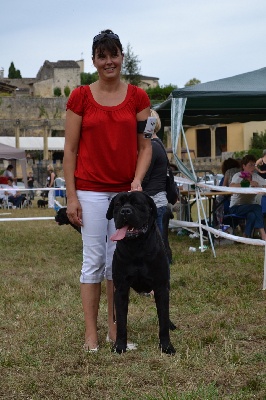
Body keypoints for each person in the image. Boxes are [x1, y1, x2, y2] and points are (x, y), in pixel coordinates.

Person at [63, 29, 151, 352]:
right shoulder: (80, 97)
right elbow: (69, 151)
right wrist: (71, 197)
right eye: (102, 56)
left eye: (114, 54)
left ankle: (117, 333)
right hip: (89, 190)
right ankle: (91, 336)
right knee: (94, 260)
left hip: (124, 194)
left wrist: (137, 180)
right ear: (94, 60)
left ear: (122, 57)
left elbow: (146, 147)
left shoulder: (139, 98)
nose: (109, 61)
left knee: (119, 264)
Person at [229, 154, 266, 240]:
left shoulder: (256, 177)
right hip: (236, 207)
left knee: (252, 215)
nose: (252, 167)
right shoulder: (238, 176)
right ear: (244, 166)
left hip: (250, 207)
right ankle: (263, 234)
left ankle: (245, 237)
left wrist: (260, 187)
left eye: (254, 165)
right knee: (257, 207)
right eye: (250, 165)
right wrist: (248, 183)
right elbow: (232, 186)